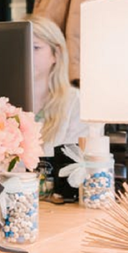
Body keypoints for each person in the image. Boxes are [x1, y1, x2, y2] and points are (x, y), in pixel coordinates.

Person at [26, 15, 90, 156]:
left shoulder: (76, 103)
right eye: (20, 47)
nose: (26, 54)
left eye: (35, 47)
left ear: (56, 54)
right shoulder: (1, 102)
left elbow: (77, 163)